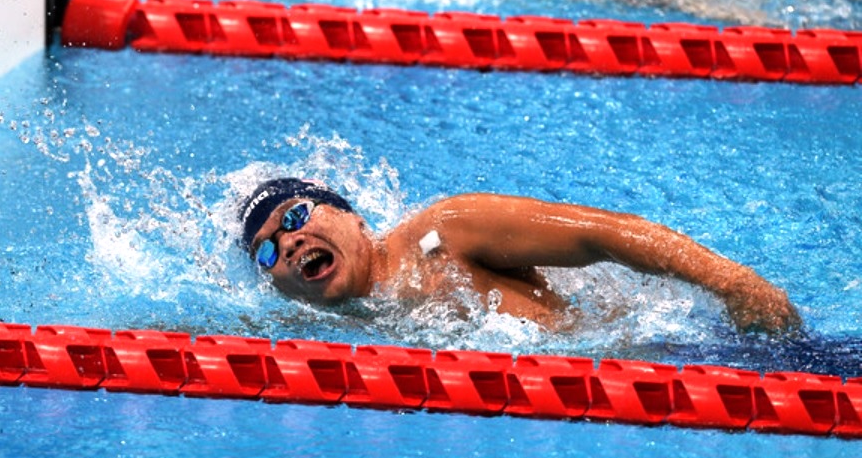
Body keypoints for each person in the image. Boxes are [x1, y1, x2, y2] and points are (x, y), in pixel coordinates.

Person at [238, 177, 801, 334]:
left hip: (680, 358)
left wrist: (735, 284)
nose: (286, 243)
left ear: (353, 217)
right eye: (267, 252)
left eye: (294, 218)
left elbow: (604, 233)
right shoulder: (312, 326)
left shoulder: (445, 232)